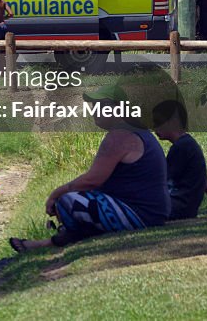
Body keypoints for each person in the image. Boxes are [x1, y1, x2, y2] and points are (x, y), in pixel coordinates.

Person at [9, 86, 170, 252]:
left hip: (141, 214)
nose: (94, 110)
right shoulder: (134, 130)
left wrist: (55, 194)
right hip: (153, 212)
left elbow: (92, 180)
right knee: (79, 200)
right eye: (93, 105)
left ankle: (63, 241)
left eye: (100, 105)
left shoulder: (120, 135)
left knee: (67, 201)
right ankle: (52, 241)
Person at [153, 100, 207, 220]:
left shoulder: (180, 147)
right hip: (187, 210)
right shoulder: (190, 144)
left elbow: (161, 182)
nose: (155, 128)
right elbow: (206, 184)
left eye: (158, 122)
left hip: (177, 208)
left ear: (173, 122)